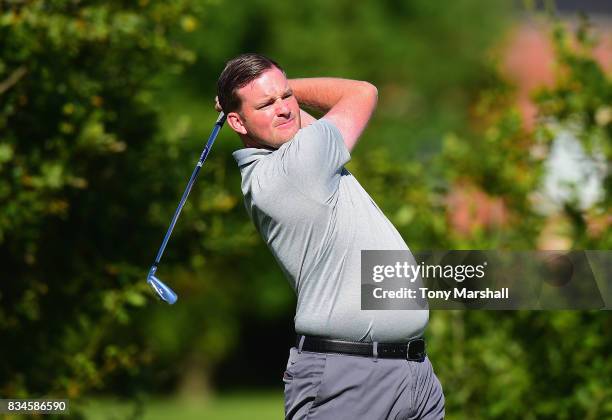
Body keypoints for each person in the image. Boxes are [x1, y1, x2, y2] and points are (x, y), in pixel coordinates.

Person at [216, 53, 445, 419]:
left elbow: (289, 121)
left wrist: (273, 98)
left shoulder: (291, 156)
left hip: (410, 372)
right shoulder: (295, 168)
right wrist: (291, 88)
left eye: (284, 98)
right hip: (351, 377)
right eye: (266, 103)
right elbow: (362, 93)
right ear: (236, 121)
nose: (284, 109)